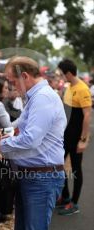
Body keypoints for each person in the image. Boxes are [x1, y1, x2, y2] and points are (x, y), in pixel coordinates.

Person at [0, 56, 67, 230]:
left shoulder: (43, 97)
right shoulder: (38, 96)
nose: (12, 87)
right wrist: (6, 136)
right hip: (34, 176)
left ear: (25, 77)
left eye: (13, 82)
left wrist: (1, 145)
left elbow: (31, 139)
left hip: (41, 178)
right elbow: (19, 128)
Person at [57, 59, 92, 215]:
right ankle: (65, 197)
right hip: (65, 135)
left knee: (76, 169)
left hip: (76, 136)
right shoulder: (69, 87)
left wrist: (84, 139)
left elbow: (87, 116)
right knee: (58, 165)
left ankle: (74, 203)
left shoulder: (83, 89)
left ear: (69, 73)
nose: (60, 77)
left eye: (62, 74)